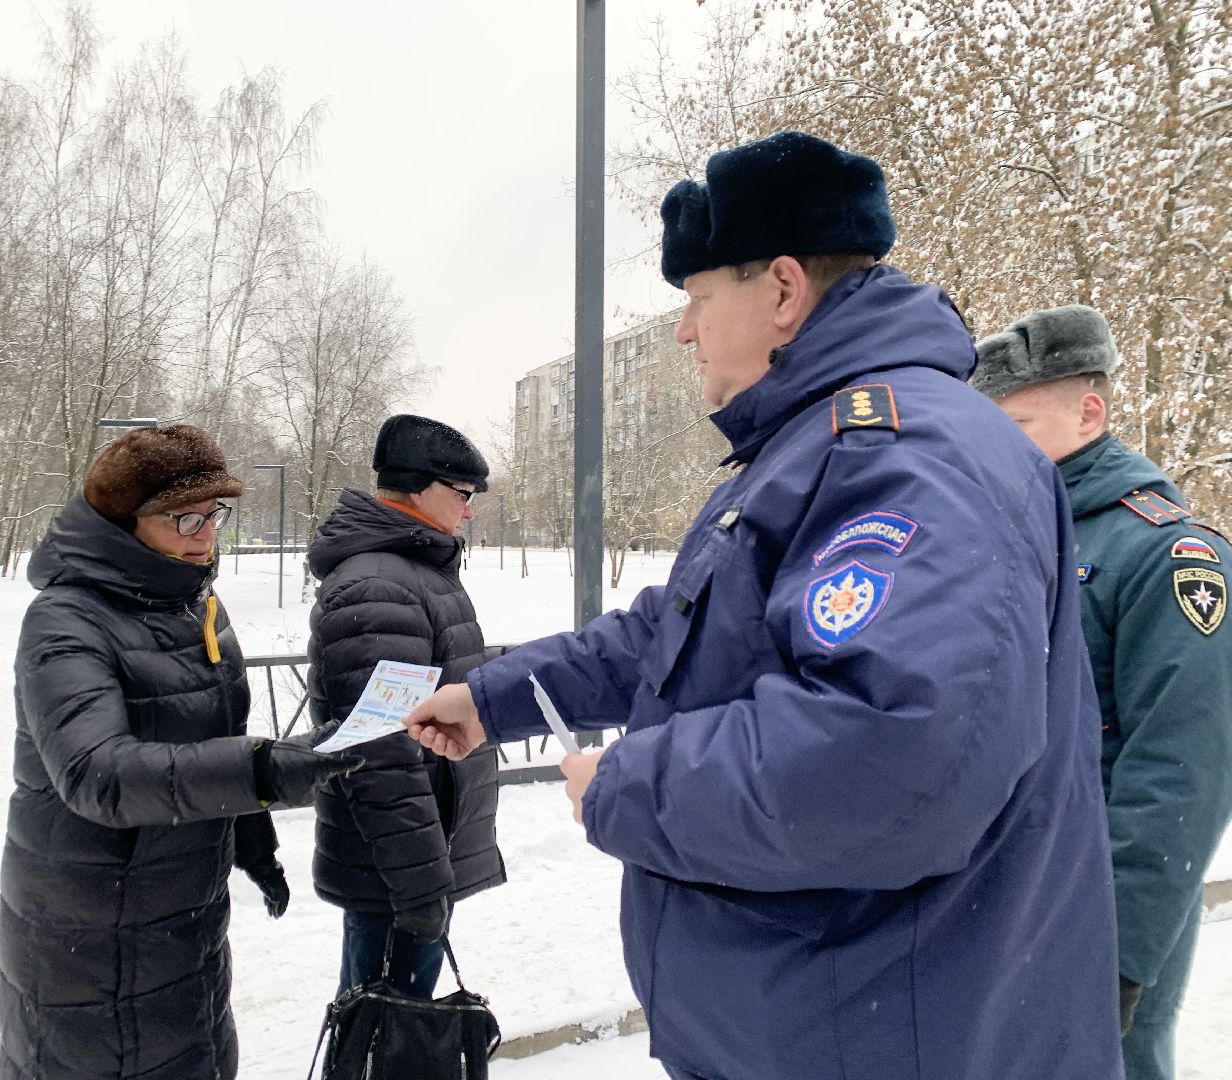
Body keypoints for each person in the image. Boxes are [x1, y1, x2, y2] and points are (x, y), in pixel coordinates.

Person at [406, 131, 1123, 1080]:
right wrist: (492, 696)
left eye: (699, 299)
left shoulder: (906, 455)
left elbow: (890, 752)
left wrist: (629, 786)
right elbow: (680, 629)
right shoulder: (819, 443)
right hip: (833, 1022)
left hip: (888, 1037)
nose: (684, 331)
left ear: (783, 291)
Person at [0, 425, 356, 1080]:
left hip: (183, 922)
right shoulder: (66, 620)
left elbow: (210, 736)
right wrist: (262, 771)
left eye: (214, 514)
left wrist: (251, 843)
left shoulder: (195, 604)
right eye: (183, 517)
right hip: (89, 939)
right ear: (123, 522)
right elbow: (96, 772)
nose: (205, 534)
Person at [973, 305, 1232, 1080]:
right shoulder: (999, 535)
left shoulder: (1169, 554)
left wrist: (1118, 954)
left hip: (1098, 898)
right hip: (993, 887)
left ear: (1091, 410)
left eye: (1015, 423)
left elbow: (1180, 769)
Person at [308, 415, 504, 999]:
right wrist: (419, 886)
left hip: (417, 850)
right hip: (399, 866)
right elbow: (379, 748)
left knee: (395, 1031)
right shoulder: (380, 585)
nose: (468, 511)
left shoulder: (413, 571)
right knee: (383, 1032)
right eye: (462, 495)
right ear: (420, 488)